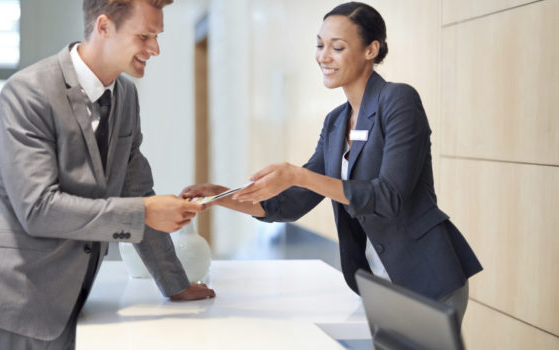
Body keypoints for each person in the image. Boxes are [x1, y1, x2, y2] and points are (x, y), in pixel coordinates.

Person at [0, 0, 214, 348]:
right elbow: (38, 210)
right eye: (144, 36)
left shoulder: (125, 97)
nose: (155, 48)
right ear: (104, 26)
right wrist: (144, 212)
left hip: (62, 311)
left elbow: (139, 191)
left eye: (156, 36)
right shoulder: (27, 92)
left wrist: (176, 284)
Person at [182, 1, 481, 324]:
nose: (323, 56)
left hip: (426, 278)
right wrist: (219, 196)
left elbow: (388, 198)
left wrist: (298, 175)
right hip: (380, 284)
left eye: (337, 47)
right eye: (320, 45)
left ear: (371, 50)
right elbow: (290, 204)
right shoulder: (336, 123)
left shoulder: (398, 101)